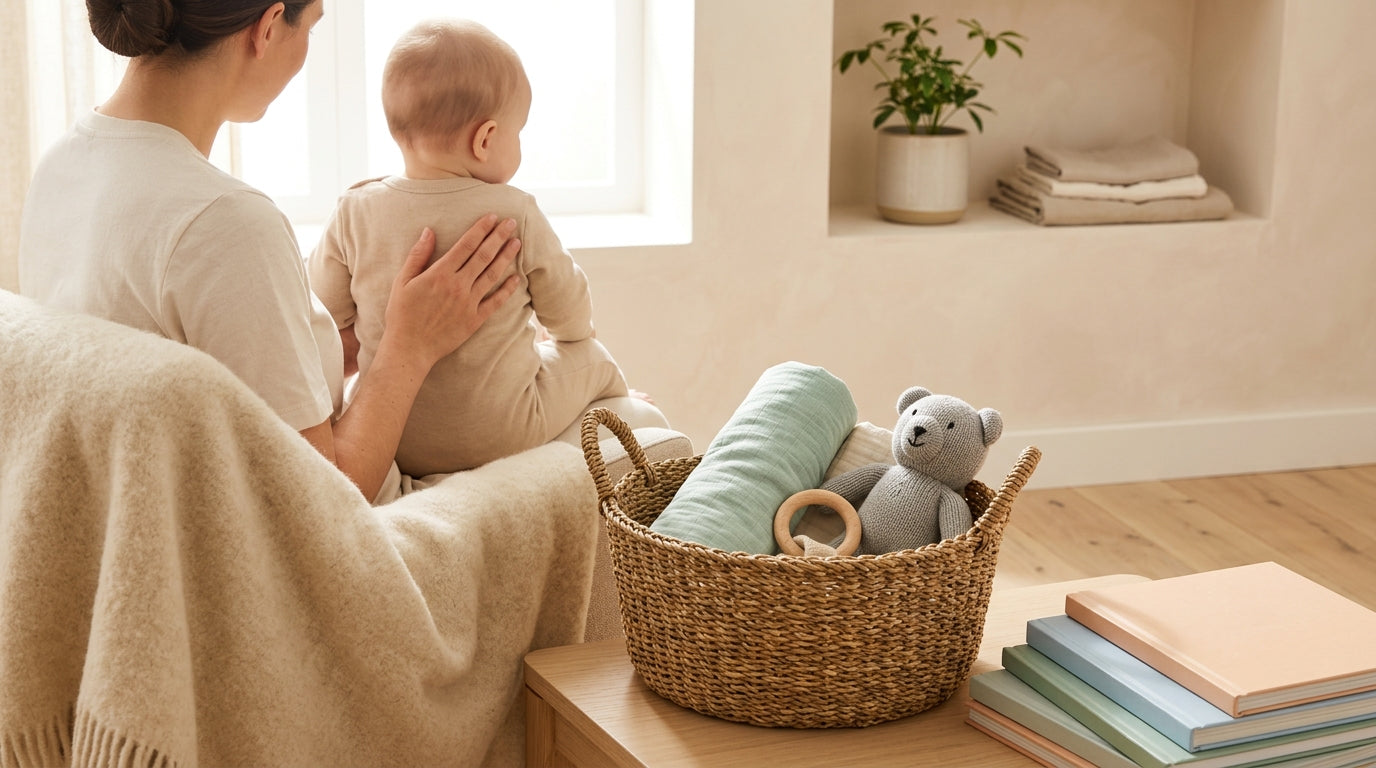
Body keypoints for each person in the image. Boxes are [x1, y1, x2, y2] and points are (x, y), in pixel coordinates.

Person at [17, 0, 521, 505]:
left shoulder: (60, 167)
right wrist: (410, 345)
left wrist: (358, 341)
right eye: (312, 28)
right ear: (269, 26)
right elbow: (318, 504)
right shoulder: (225, 222)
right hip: (363, 530)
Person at [308, 18, 644, 477]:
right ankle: (623, 404)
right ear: (485, 139)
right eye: (518, 132)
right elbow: (568, 311)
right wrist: (569, 333)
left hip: (395, 438)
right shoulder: (514, 211)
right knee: (591, 354)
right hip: (507, 433)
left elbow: (323, 312)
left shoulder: (354, 209)